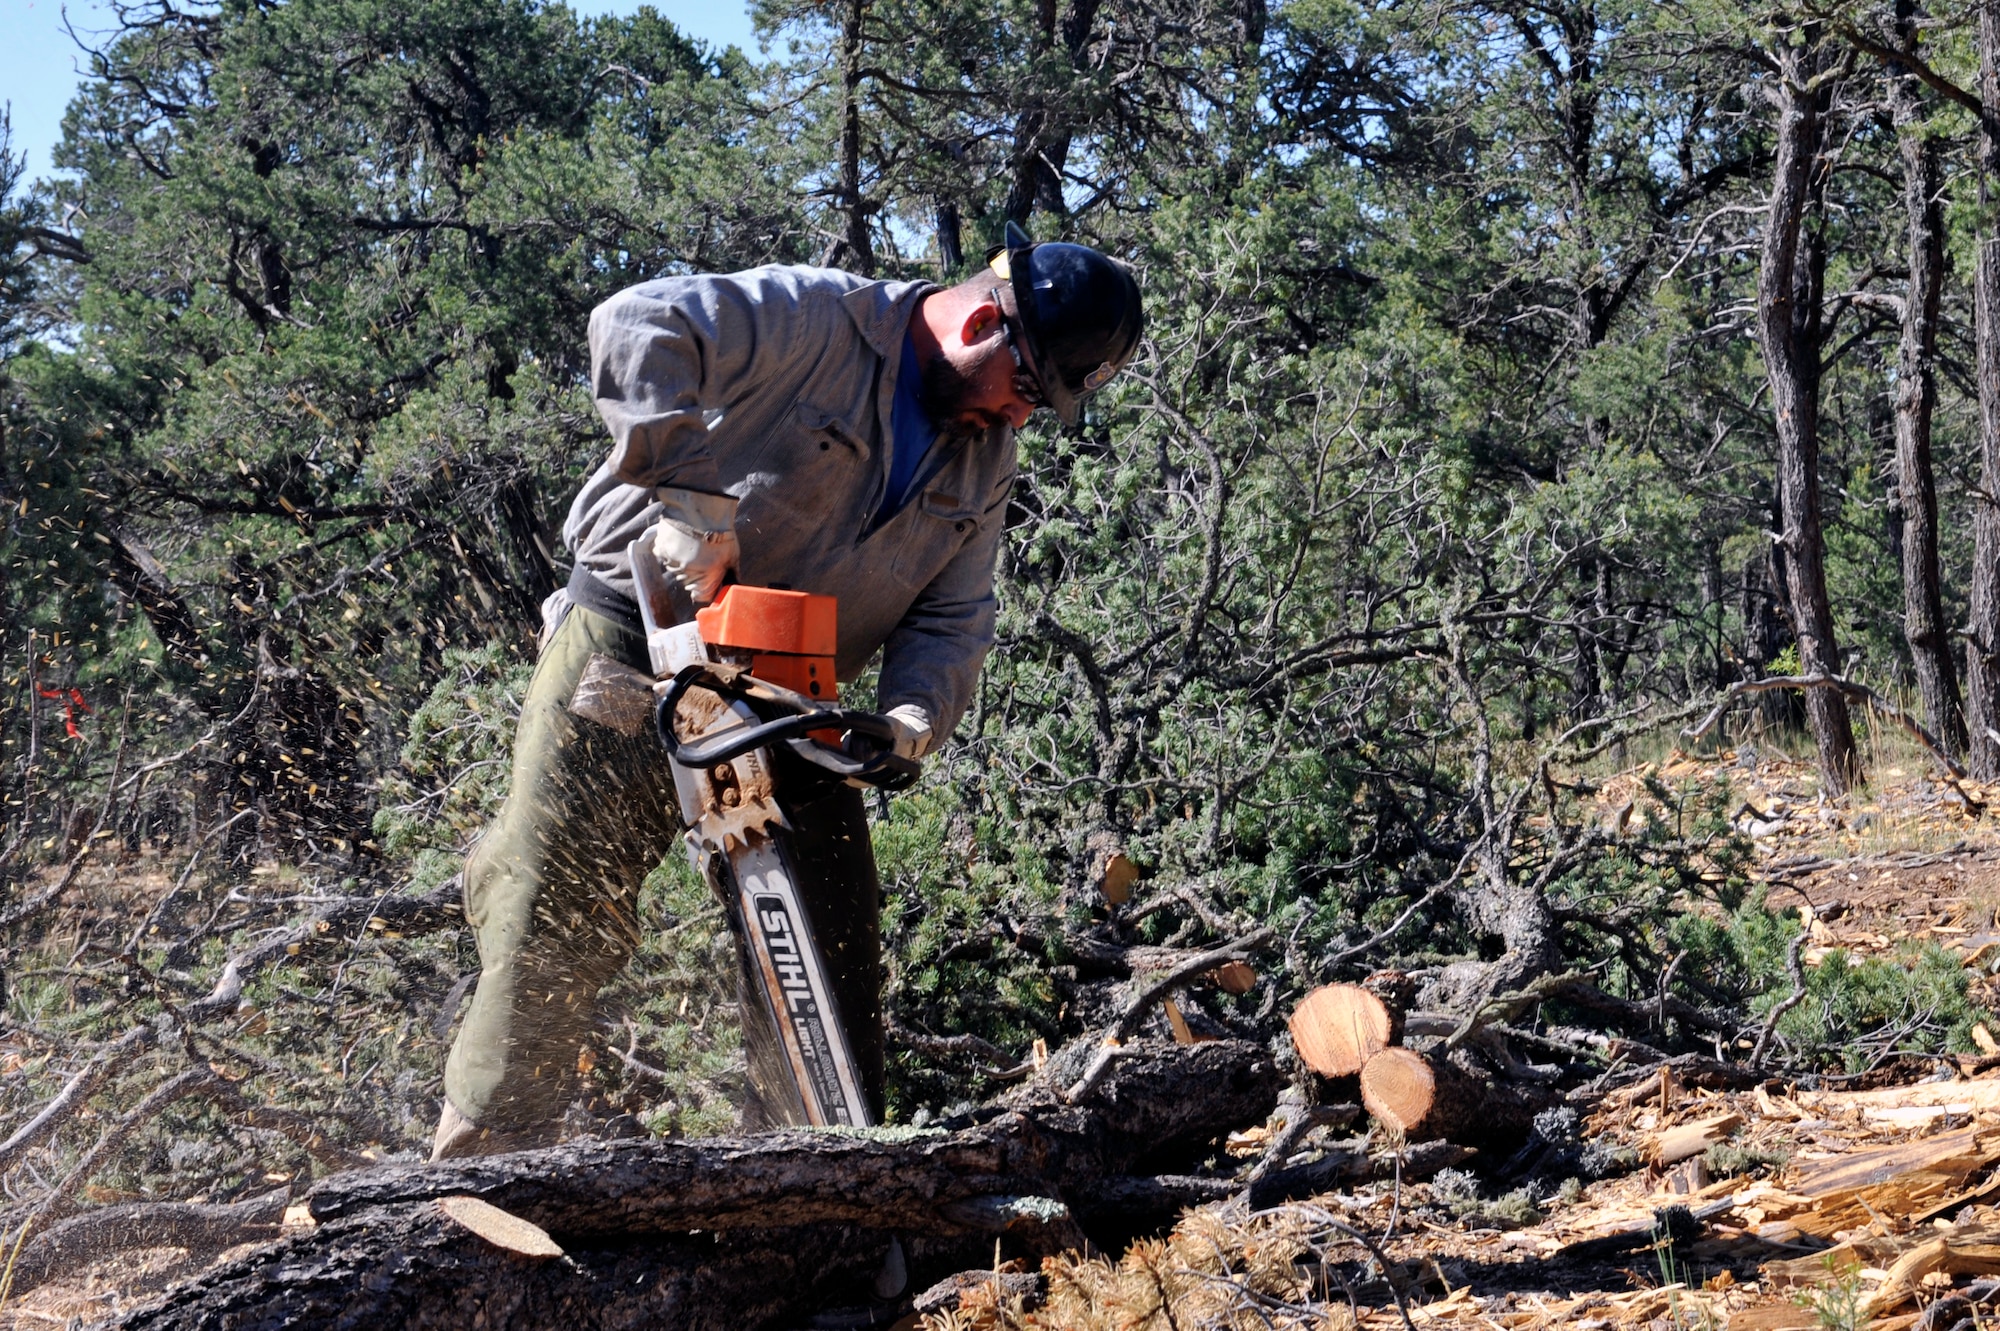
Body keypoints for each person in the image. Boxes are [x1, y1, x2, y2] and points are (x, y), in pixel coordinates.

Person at [430, 224, 1145, 1159]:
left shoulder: (983, 459)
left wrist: (908, 722)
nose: (1016, 420)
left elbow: (953, 616)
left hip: (794, 693)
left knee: (827, 947)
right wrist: (687, 495)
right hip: (638, 639)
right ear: (981, 322)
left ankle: (809, 1186)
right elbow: (637, 322)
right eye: (1022, 391)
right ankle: (483, 1154)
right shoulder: (818, 319)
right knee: (556, 889)